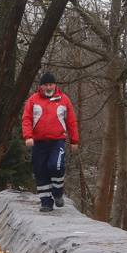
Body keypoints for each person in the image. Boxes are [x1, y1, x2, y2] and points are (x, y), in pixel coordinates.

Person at [21, 72, 80, 212]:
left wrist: (74, 140)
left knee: (56, 166)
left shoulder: (64, 100)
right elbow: (26, 119)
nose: (49, 87)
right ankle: (46, 202)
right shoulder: (33, 100)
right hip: (39, 142)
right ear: (41, 86)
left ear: (55, 85)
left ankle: (58, 192)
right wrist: (28, 136)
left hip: (57, 141)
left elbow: (71, 121)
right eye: (46, 85)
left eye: (51, 84)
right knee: (40, 171)